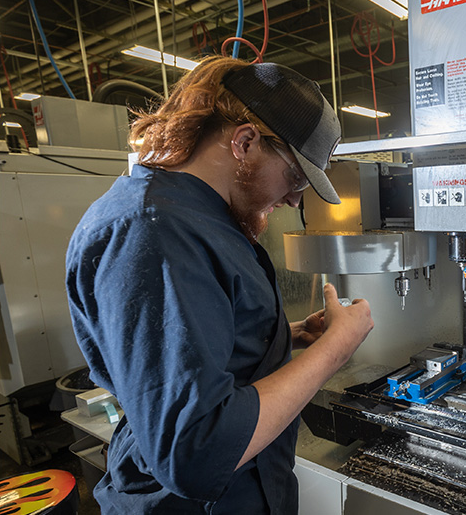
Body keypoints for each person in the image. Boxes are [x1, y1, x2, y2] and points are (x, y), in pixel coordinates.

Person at [65, 56, 375, 513]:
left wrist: (276, 336)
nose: (294, 198)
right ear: (246, 142)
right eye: (294, 176)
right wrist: (338, 349)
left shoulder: (202, 219)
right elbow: (196, 451)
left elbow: (181, 347)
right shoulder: (153, 233)